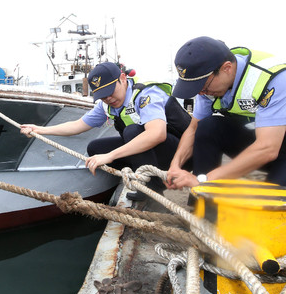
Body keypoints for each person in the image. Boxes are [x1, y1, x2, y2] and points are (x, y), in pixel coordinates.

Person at [20, 62, 191, 200]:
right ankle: (144, 178)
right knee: (95, 148)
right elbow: (78, 125)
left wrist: (111, 156)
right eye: (102, 95)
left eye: (110, 91)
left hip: (181, 153)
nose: (108, 98)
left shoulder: (146, 95)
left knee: (131, 132)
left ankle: (151, 187)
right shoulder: (106, 105)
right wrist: (41, 130)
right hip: (154, 152)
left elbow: (157, 134)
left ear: (123, 79)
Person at [166, 36, 286, 189]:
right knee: (208, 126)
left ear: (227, 68)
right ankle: (202, 202)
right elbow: (193, 128)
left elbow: (268, 148)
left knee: (273, 204)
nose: (201, 93)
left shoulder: (274, 79)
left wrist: (204, 179)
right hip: (261, 141)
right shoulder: (208, 87)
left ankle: (203, 185)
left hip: (274, 146)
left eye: (203, 86)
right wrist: (175, 165)